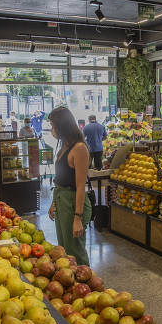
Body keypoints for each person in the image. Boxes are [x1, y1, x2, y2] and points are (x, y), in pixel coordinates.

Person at [48, 105, 92, 266]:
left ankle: (87, 286)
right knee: (64, 249)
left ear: (62, 125)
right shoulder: (64, 145)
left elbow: (81, 186)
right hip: (62, 199)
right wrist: (54, 202)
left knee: (75, 251)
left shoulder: (79, 148)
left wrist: (77, 218)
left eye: (53, 125)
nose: (52, 129)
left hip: (74, 203)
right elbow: (61, 178)